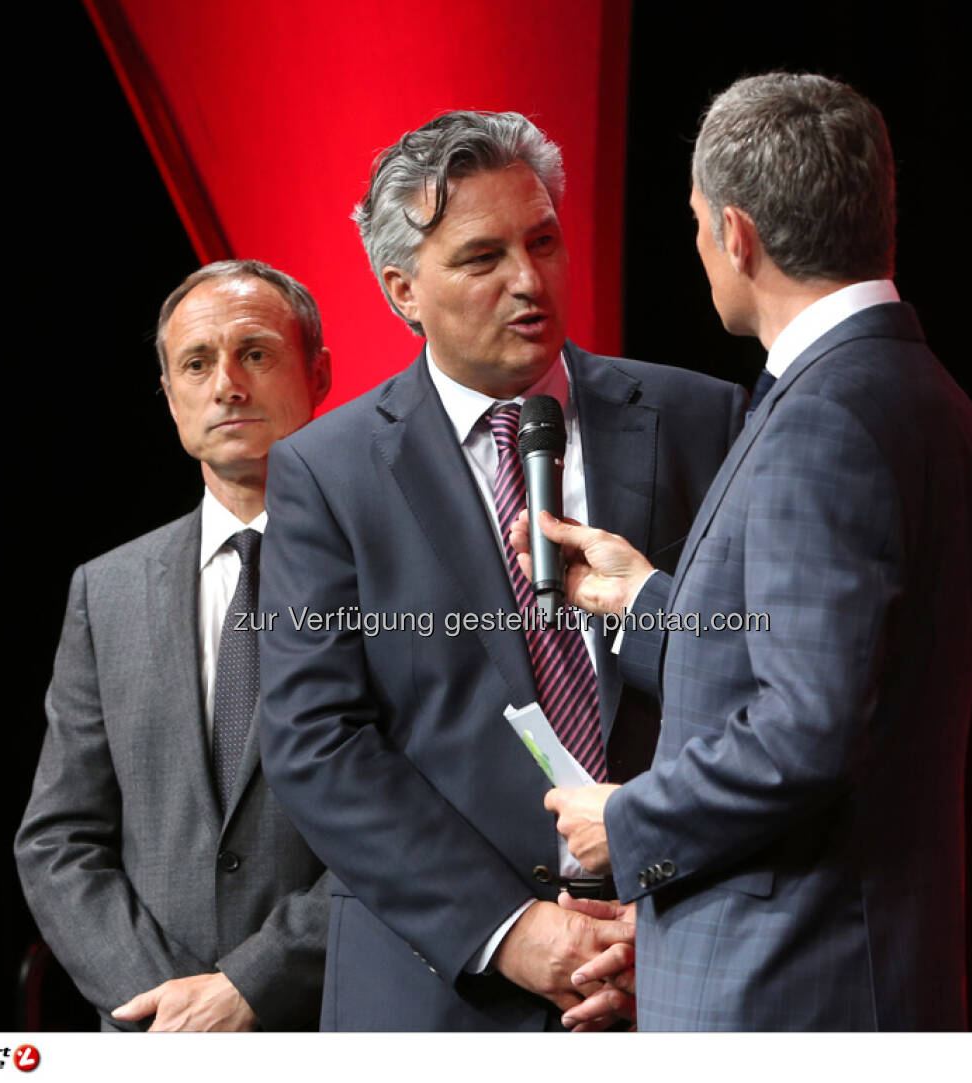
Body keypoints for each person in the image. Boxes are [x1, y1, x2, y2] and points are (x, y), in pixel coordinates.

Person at [518, 73, 972, 1030]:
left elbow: (809, 727)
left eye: (698, 222)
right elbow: (851, 660)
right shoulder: (918, 391)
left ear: (736, 234)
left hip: (790, 985)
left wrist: (629, 823)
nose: (700, 244)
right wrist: (650, 603)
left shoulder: (824, 416)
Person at [257, 110, 747, 1030]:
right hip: (442, 990)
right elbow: (316, 742)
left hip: (674, 961)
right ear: (404, 289)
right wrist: (513, 930)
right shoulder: (328, 471)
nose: (529, 281)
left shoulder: (700, 419)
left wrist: (657, 906)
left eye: (544, 241)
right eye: (483, 259)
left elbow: (751, 684)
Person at [15, 260, 333, 1030]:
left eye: (255, 353)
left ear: (318, 372)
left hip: (332, 1021)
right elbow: (59, 840)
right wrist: (169, 1008)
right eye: (197, 362)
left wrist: (251, 987)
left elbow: (425, 817)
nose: (227, 383)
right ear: (170, 396)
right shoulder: (106, 588)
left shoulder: (393, 570)